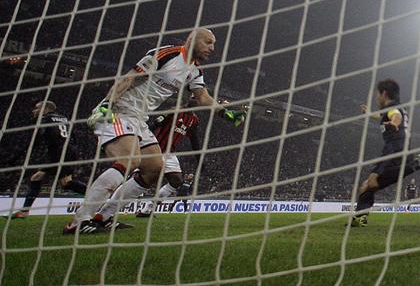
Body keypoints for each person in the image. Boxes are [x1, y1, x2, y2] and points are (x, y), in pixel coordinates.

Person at [65, 29, 247, 234]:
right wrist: (107, 104)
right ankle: (79, 221)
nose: (212, 48)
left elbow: (203, 97)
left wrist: (225, 113)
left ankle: (104, 216)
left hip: (140, 119)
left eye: (213, 44)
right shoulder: (167, 54)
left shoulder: (194, 71)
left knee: (154, 168)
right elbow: (129, 78)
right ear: (192, 39)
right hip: (119, 110)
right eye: (208, 42)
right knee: (129, 160)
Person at [348, 79, 420, 227]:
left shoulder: (392, 108)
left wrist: (394, 122)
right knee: (369, 185)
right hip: (404, 152)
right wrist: (370, 114)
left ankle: (360, 216)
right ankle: (417, 163)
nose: (377, 97)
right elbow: (385, 115)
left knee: (369, 183)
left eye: (378, 94)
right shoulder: (397, 107)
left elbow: (395, 115)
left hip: (393, 152)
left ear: (384, 93)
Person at [6, 101, 87, 218]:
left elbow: (36, 140)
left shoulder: (45, 119)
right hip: (69, 151)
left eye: (36, 108)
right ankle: (96, 194)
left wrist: (17, 157)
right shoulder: (64, 119)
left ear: (45, 109)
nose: (34, 111)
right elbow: (73, 136)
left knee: (37, 177)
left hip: (58, 153)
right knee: (66, 183)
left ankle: (24, 211)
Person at [134, 105, 203, 217]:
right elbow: (154, 125)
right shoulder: (174, 110)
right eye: (192, 96)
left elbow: (194, 140)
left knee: (177, 180)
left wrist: (199, 159)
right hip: (155, 148)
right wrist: (141, 143)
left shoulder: (194, 120)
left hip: (169, 153)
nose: (193, 98)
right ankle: (109, 209)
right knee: (140, 179)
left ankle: (147, 210)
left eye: (196, 97)